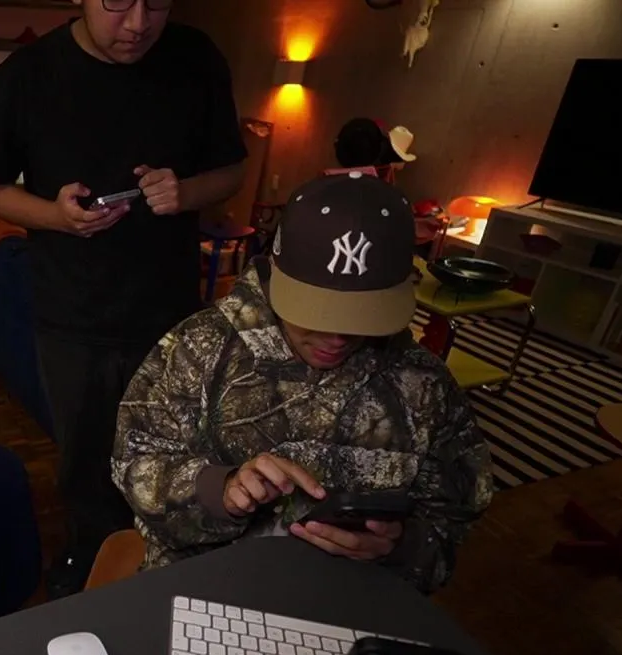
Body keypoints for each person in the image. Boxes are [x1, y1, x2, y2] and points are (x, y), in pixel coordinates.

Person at [0, 0, 248, 597]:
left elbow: (231, 171)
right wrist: (54, 216)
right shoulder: (25, 74)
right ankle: (90, 561)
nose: (139, 23)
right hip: (71, 313)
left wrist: (185, 191)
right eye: (118, 2)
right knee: (85, 461)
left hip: (170, 312)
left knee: (172, 453)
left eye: (157, 3)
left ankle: (159, 563)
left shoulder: (197, 58)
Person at [111, 174, 494, 594]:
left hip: (354, 599)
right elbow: (135, 463)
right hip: (204, 587)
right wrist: (221, 489)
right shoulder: (199, 348)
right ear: (276, 272)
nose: (338, 337)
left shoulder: (425, 385)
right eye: (317, 312)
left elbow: (455, 518)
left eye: (364, 316)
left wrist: (401, 547)